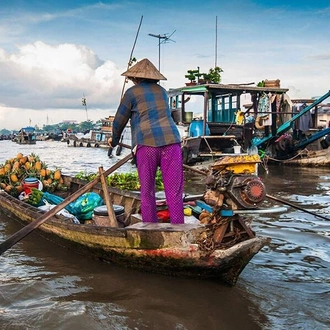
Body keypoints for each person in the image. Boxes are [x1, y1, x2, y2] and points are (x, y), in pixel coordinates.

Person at [109, 58, 184, 224]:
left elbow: (119, 120)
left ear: (135, 78)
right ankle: (179, 228)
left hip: (147, 144)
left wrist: (113, 141)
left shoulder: (131, 93)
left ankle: (150, 227)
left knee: (147, 191)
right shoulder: (163, 92)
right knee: (174, 191)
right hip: (172, 142)